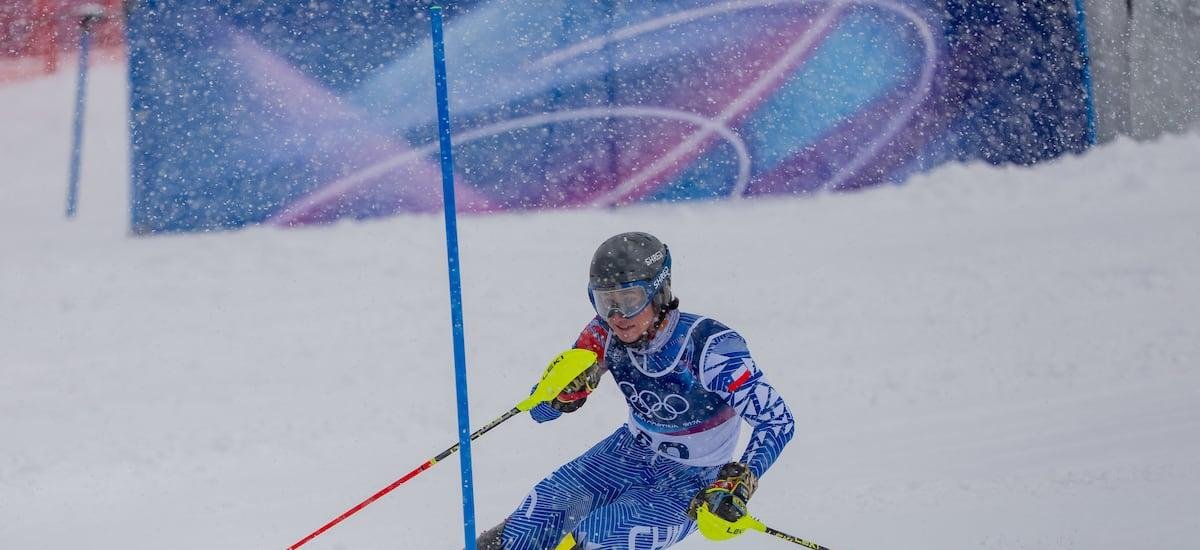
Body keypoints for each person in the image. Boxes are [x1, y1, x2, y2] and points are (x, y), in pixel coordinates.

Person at [477, 231, 795, 550]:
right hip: (623, 454)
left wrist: (739, 481)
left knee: (596, 539)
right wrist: (559, 397)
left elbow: (777, 420)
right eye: (606, 302)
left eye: (630, 301)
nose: (617, 317)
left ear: (659, 293)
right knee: (522, 531)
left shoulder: (709, 347)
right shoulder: (602, 334)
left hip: (690, 480)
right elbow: (539, 412)